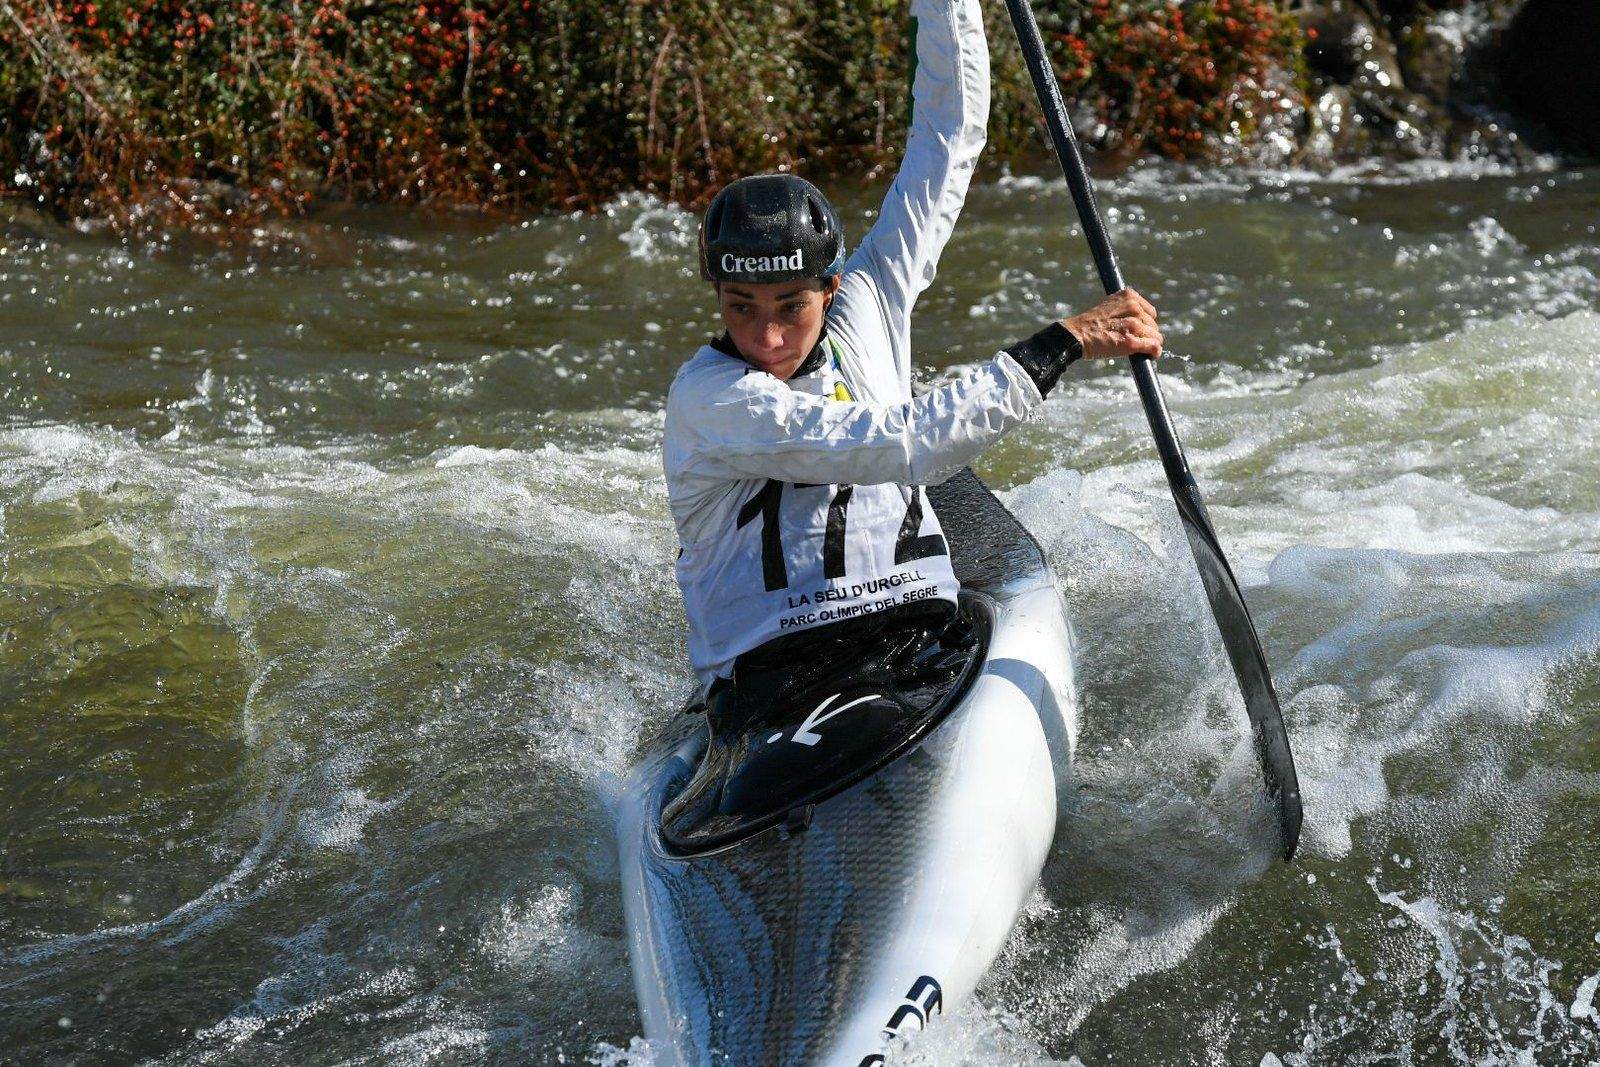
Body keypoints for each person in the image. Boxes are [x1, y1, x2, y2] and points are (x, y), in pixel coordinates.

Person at [662, 0, 1161, 712]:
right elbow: (899, 444)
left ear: (830, 289)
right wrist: (1060, 343)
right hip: (771, 678)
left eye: (790, 307)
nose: (767, 338)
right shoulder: (710, 398)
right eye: (741, 305)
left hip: (917, 637)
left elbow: (949, 135)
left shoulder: (866, 302)